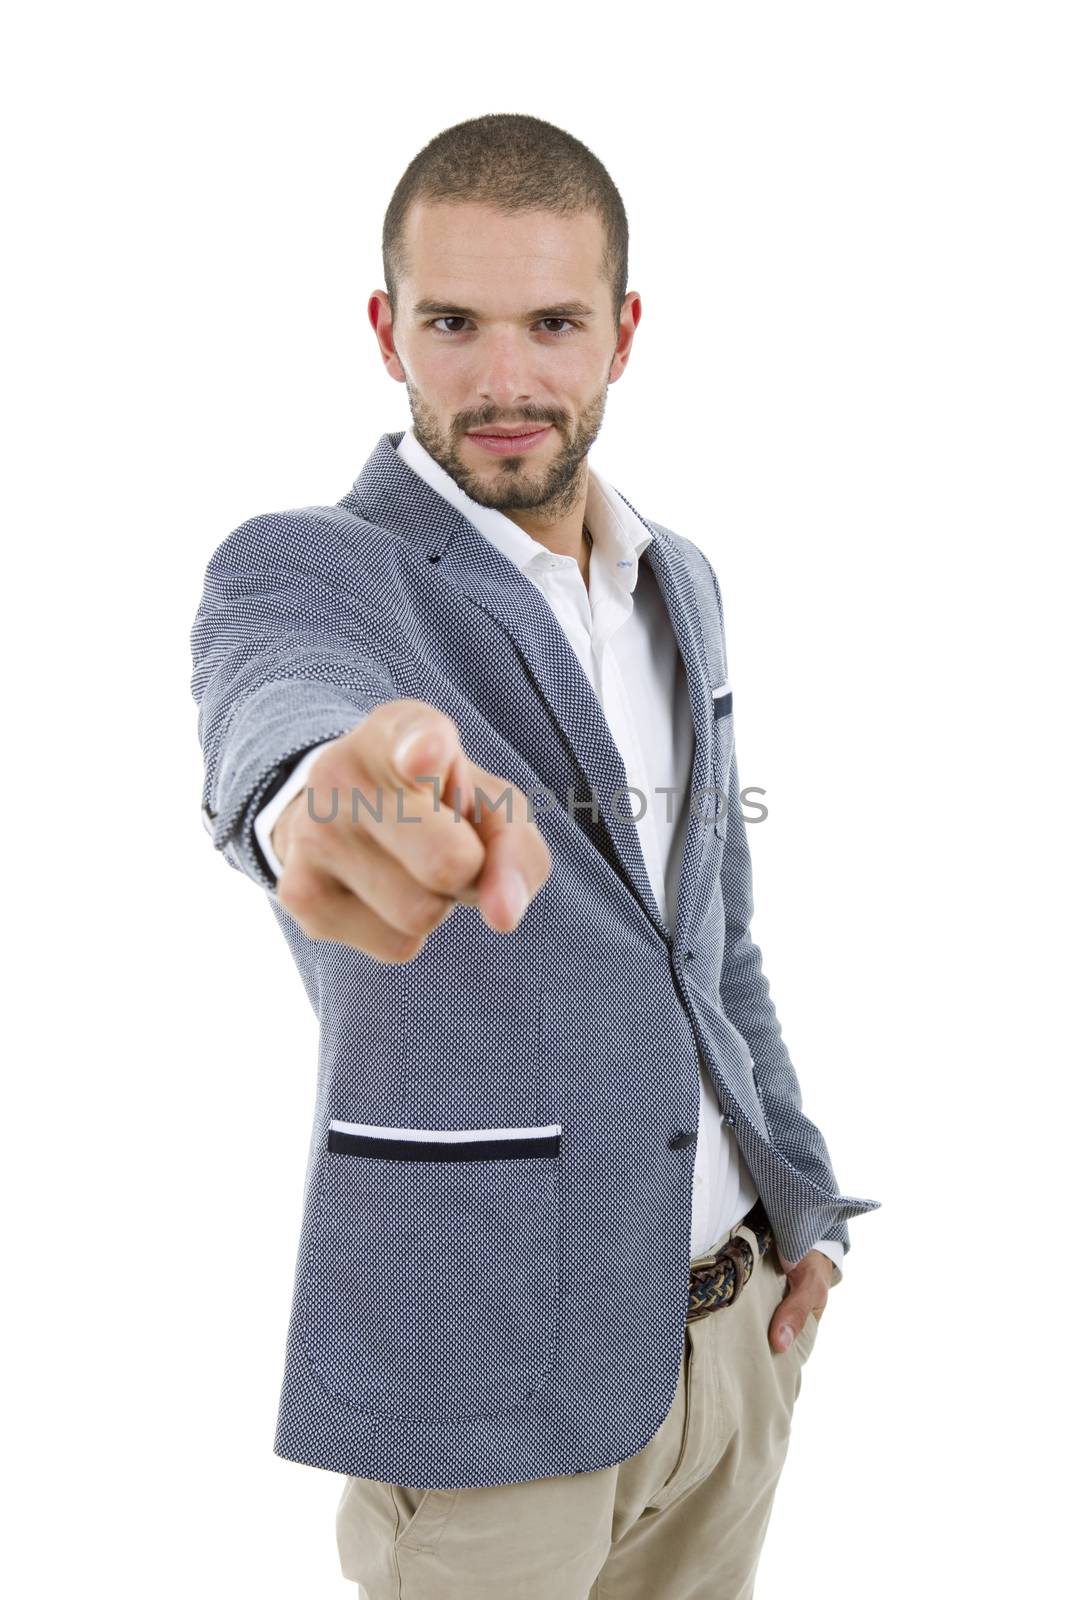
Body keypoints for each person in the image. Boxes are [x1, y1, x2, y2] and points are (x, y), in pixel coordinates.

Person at [190, 111, 880, 1600]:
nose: (506, 382)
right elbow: (286, 698)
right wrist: (327, 796)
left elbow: (714, 931)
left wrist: (801, 1200)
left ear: (624, 333)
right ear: (388, 330)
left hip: (734, 1343)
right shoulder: (316, 566)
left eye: (554, 324)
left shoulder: (676, 579)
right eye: (454, 324)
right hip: (491, 1386)